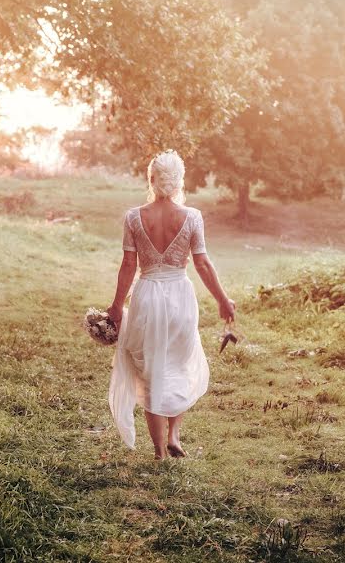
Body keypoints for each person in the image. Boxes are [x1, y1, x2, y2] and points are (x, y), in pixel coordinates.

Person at [106, 150, 236, 459]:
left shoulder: (134, 217)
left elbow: (128, 265)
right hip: (180, 296)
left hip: (147, 295)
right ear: (178, 181)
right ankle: (174, 434)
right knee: (178, 364)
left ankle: (160, 453)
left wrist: (115, 306)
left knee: (151, 370)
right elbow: (202, 264)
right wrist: (222, 300)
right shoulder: (191, 217)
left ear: (151, 179)